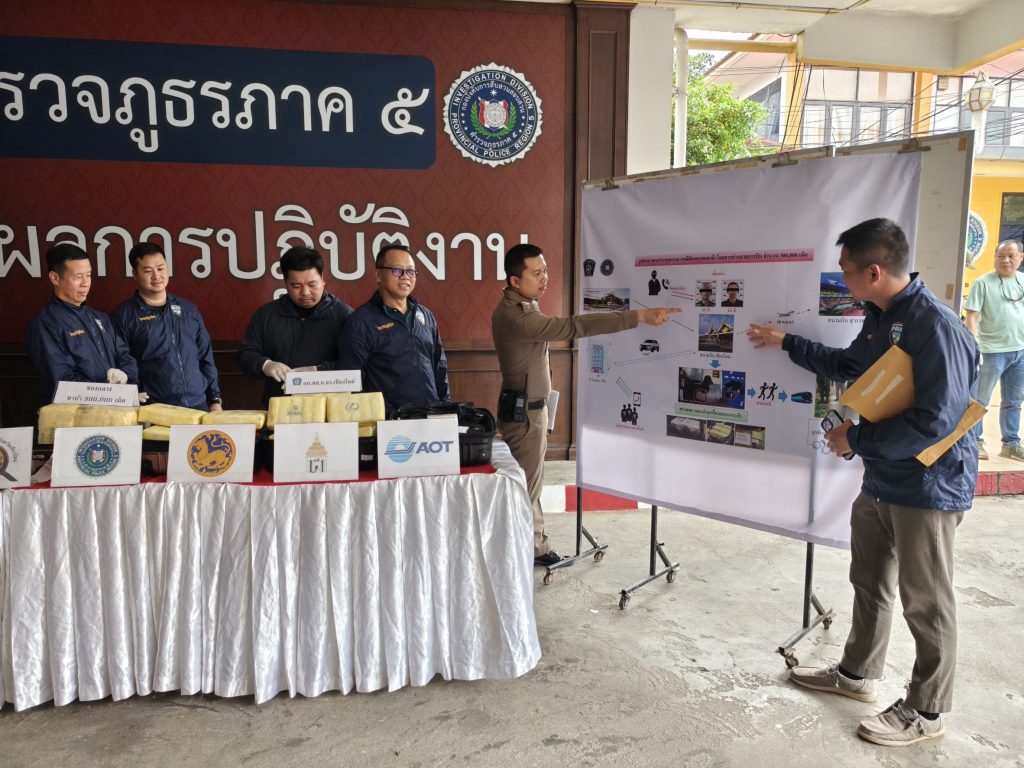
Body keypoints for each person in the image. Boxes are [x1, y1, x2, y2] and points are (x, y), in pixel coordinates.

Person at [747, 218, 978, 747]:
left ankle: (927, 710)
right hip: (882, 478)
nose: (841, 280)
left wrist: (856, 439)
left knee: (927, 600)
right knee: (869, 580)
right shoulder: (880, 317)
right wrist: (786, 342)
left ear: (873, 271)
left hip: (928, 486)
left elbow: (935, 422)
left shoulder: (935, 326)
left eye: (846, 271)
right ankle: (856, 674)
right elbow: (849, 364)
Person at [493, 243, 679, 567]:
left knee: (527, 485)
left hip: (531, 411)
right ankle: (525, 553)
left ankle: (534, 546)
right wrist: (638, 317)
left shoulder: (524, 306)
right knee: (525, 489)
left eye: (545, 271)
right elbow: (573, 326)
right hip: (525, 417)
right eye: (536, 273)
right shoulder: (516, 316)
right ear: (515, 281)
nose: (545, 278)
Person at [337, 244, 449, 414]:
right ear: (378, 275)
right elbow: (352, 381)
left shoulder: (426, 316)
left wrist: (447, 408)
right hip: (389, 421)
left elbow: (439, 368)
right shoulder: (360, 321)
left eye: (410, 271)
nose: (405, 277)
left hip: (430, 416)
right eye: (397, 270)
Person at [111, 243, 222, 411]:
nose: (156, 276)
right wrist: (132, 396)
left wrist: (214, 399)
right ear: (134, 274)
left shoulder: (188, 309)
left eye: (160, 268)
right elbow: (122, 362)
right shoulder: (123, 316)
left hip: (198, 405)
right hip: (155, 409)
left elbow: (206, 357)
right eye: (148, 271)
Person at [25, 242, 138, 402]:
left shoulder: (101, 318)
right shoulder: (45, 325)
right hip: (74, 414)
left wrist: (125, 376)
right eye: (78, 277)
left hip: (113, 408)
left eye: (88, 275)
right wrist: (109, 389)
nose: (85, 283)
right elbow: (64, 381)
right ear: (55, 278)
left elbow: (125, 355)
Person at [237, 247, 353, 403]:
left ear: (322, 279)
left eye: (312, 284)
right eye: (296, 286)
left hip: (330, 406)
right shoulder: (266, 315)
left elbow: (354, 364)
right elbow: (245, 354)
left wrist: (319, 371)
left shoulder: (345, 315)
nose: (305, 292)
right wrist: (265, 364)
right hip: (280, 405)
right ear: (286, 283)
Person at [964, 239, 1024, 462]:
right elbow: (971, 316)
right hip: (991, 352)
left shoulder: (1022, 280)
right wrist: (974, 346)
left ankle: (1011, 444)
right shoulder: (982, 283)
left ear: (1021, 258)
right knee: (980, 400)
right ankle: (975, 441)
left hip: (1020, 350)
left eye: (1011, 256)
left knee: (1014, 400)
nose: (1005, 260)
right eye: (1000, 256)